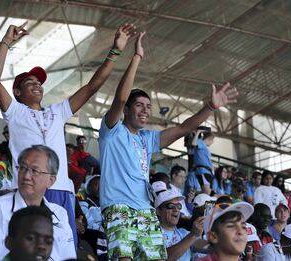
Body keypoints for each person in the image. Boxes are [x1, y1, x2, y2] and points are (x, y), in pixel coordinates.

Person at [0, 22, 136, 246]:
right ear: (17, 92)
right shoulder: (15, 111)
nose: (37, 85)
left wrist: (115, 50)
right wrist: (6, 43)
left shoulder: (58, 111)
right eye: (30, 83)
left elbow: (92, 86)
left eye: (39, 82)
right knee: (32, 248)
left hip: (61, 189)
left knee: (63, 248)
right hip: (32, 189)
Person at [99, 28, 238, 260]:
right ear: (126, 110)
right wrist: (137, 57)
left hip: (145, 210)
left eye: (148, 106)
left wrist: (210, 107)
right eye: (139, 105)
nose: (145, 110)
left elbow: (184, 128)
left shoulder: (148, 139)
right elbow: (121, 97)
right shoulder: (112, 130)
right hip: (118, 208)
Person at [0, 145, 76, 261]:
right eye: (23, 168)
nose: (26, 176)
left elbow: (69, 257)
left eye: (34, 171)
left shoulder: (59, 214)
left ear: (51, 181)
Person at [155, 188, 205, 261]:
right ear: (158, 211)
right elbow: (164, 257)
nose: (176, 209)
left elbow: (204, 246)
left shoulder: (183, 233)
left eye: (178, 206)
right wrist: (193, 235)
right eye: (170, 206)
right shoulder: (152, 234)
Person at [191, 129, 215, 195]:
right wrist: (198, 132)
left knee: (208, 192)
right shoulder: (200, 142)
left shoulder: (205, 147)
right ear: (209, 138)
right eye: (212, 140)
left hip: (208, 172)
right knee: (207, 192)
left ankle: (194, 195)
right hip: (203, 170)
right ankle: (193, 195)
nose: (212, 142)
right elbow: (193, 143)